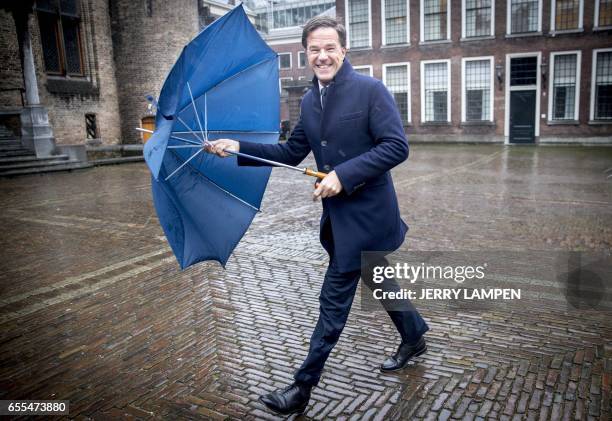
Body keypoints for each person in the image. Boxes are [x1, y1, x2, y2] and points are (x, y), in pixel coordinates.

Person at [206, 16, 429, 416]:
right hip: (338, 219)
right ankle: (414, 335)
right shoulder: (309, 100)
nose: (321, 56)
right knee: (378, 279)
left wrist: (344, 175)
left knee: (333, 303)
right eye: (314, 49)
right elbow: (291, 154)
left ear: (343, 50)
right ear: (306, 53)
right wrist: (236, 146)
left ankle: (301, 387)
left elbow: (396, 146)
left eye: (329, 48)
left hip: (368, 216)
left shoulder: (371, 91)